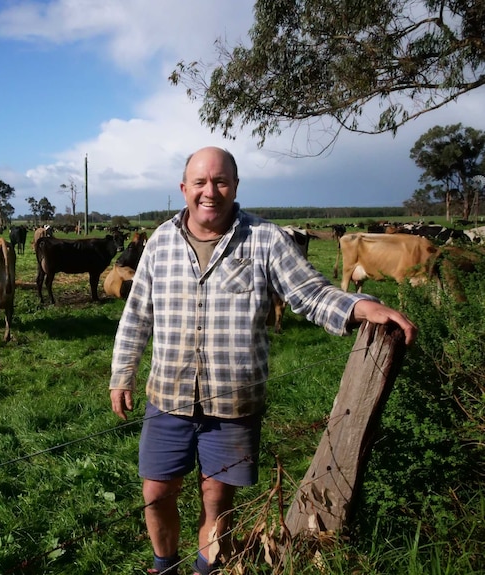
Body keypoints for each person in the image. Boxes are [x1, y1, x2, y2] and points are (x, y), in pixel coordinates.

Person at [109, 146, 417, 575]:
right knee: (156, 492)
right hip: (168, 398)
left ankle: (206, 570)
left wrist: (360, 308)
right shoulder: (160, 241)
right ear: (184, 189)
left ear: (235, 186)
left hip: (233, 407)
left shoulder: (265, 239)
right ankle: (164, 567)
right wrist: (121, 375)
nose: (209, 191)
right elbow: (137, 313)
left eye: (220, 181)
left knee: (216, 499)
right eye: (200, 182)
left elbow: (309, 292)